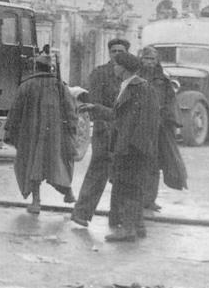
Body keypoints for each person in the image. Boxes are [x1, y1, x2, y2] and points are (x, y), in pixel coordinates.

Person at [84, 52, 160, 242]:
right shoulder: (130, 86)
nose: (114, 68)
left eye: (116, 65)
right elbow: (119, 116)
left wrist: (132, 147)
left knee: (129, 187)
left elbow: (146, 121)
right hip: (131, 147)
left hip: (132, 148)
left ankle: (128, 230)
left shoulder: (139, 88)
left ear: (124, 68)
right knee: (131, 187)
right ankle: (136, 226)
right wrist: (95, 108)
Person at [5, 54, 78, 214]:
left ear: (35, 67)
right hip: (55, 136)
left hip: (31, 134)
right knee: (57, 165)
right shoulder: (60, 86)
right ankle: (69, 193)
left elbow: (15, 111)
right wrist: (71, 130)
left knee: (33, 165)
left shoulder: (26, 85)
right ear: (50, 68)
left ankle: (36, 202)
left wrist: (10, 132)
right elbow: (71, 110)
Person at [70, 38, 129, 227]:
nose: (117, 54)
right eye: (114, 51)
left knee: (123, 174)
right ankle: (81, 213)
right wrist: (104, 121)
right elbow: (94, 102)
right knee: (98, 171)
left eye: (121, 51)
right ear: (109, 53)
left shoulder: (132, 75)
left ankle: (117, 217)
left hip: (126, 131)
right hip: (105, 129)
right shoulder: (100, 73)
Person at [137, 46, 181, 211]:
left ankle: (150, 199)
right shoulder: (135, 76)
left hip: (158, 127)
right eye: (146, 59)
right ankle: (138, 198)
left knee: (154, 164)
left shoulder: (163, 79)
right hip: (139, 126)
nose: (149, 62)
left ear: (157, 61)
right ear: (141, 59)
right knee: (139, 163)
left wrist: (169, 121)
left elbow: (170, 101)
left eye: (152, 59)